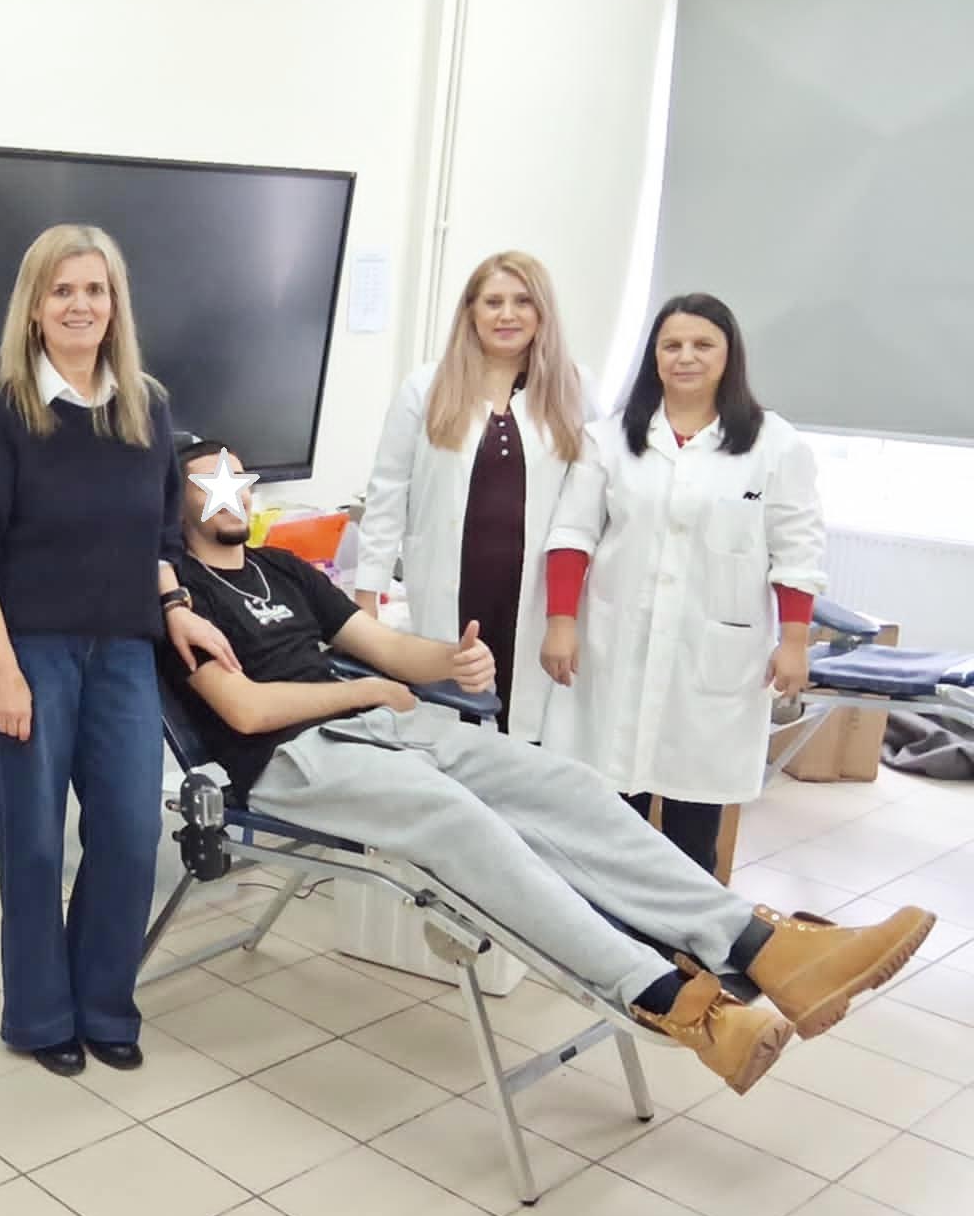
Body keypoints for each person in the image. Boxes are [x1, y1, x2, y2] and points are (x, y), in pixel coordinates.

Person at [164, 436, 933, 1093]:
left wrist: (453, 659)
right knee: (463, 826)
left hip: (382, 725)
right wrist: (365, 690)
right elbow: (245, 711)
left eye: (237, 475)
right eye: (206, 478)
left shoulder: (284, 569)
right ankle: (669, 998)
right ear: (175, 498)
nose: (229, 488)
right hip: (290, 759)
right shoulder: (176, 596)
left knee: (563, 785)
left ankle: (766, 947)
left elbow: (389, 649)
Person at [0, 225, 236, 1078]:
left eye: (94, 289)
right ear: (34, 307)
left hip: (126, 654)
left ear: (114, 304)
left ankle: (105, 1007)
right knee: (33, 845)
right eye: (61, 290)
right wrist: (3, 670)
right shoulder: (3, 413)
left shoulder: (145, 406)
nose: (79, 305)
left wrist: (176, 608)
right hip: (30, 651)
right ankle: (38, 1017)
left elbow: (161, 537)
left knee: (132, 835)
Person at [540, 293, 825, 876]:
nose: (685, 357)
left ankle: (687, 926)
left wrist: (794, 641)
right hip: (617, 645)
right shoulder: (608, 439)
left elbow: (797, 549)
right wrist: (561, 623)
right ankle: (609, 924)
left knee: (694, 820)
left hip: (713, 658)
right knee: (610, 812)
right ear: (654, 356)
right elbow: (572, 534)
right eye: (671, 345)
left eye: (702, 345)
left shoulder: (774, 444)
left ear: (729, 355)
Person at [354, 252, 589, 739]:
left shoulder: (576, 389)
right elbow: (387, 493)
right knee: (451, 717)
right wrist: (366, 597)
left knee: (525, 724)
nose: (507, 315)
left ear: (542, 311)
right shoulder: (426, 387)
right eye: (493, 302)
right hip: (451, 583)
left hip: (532, 590)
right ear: (471, 311)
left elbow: (594, 499)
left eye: (522, 301)